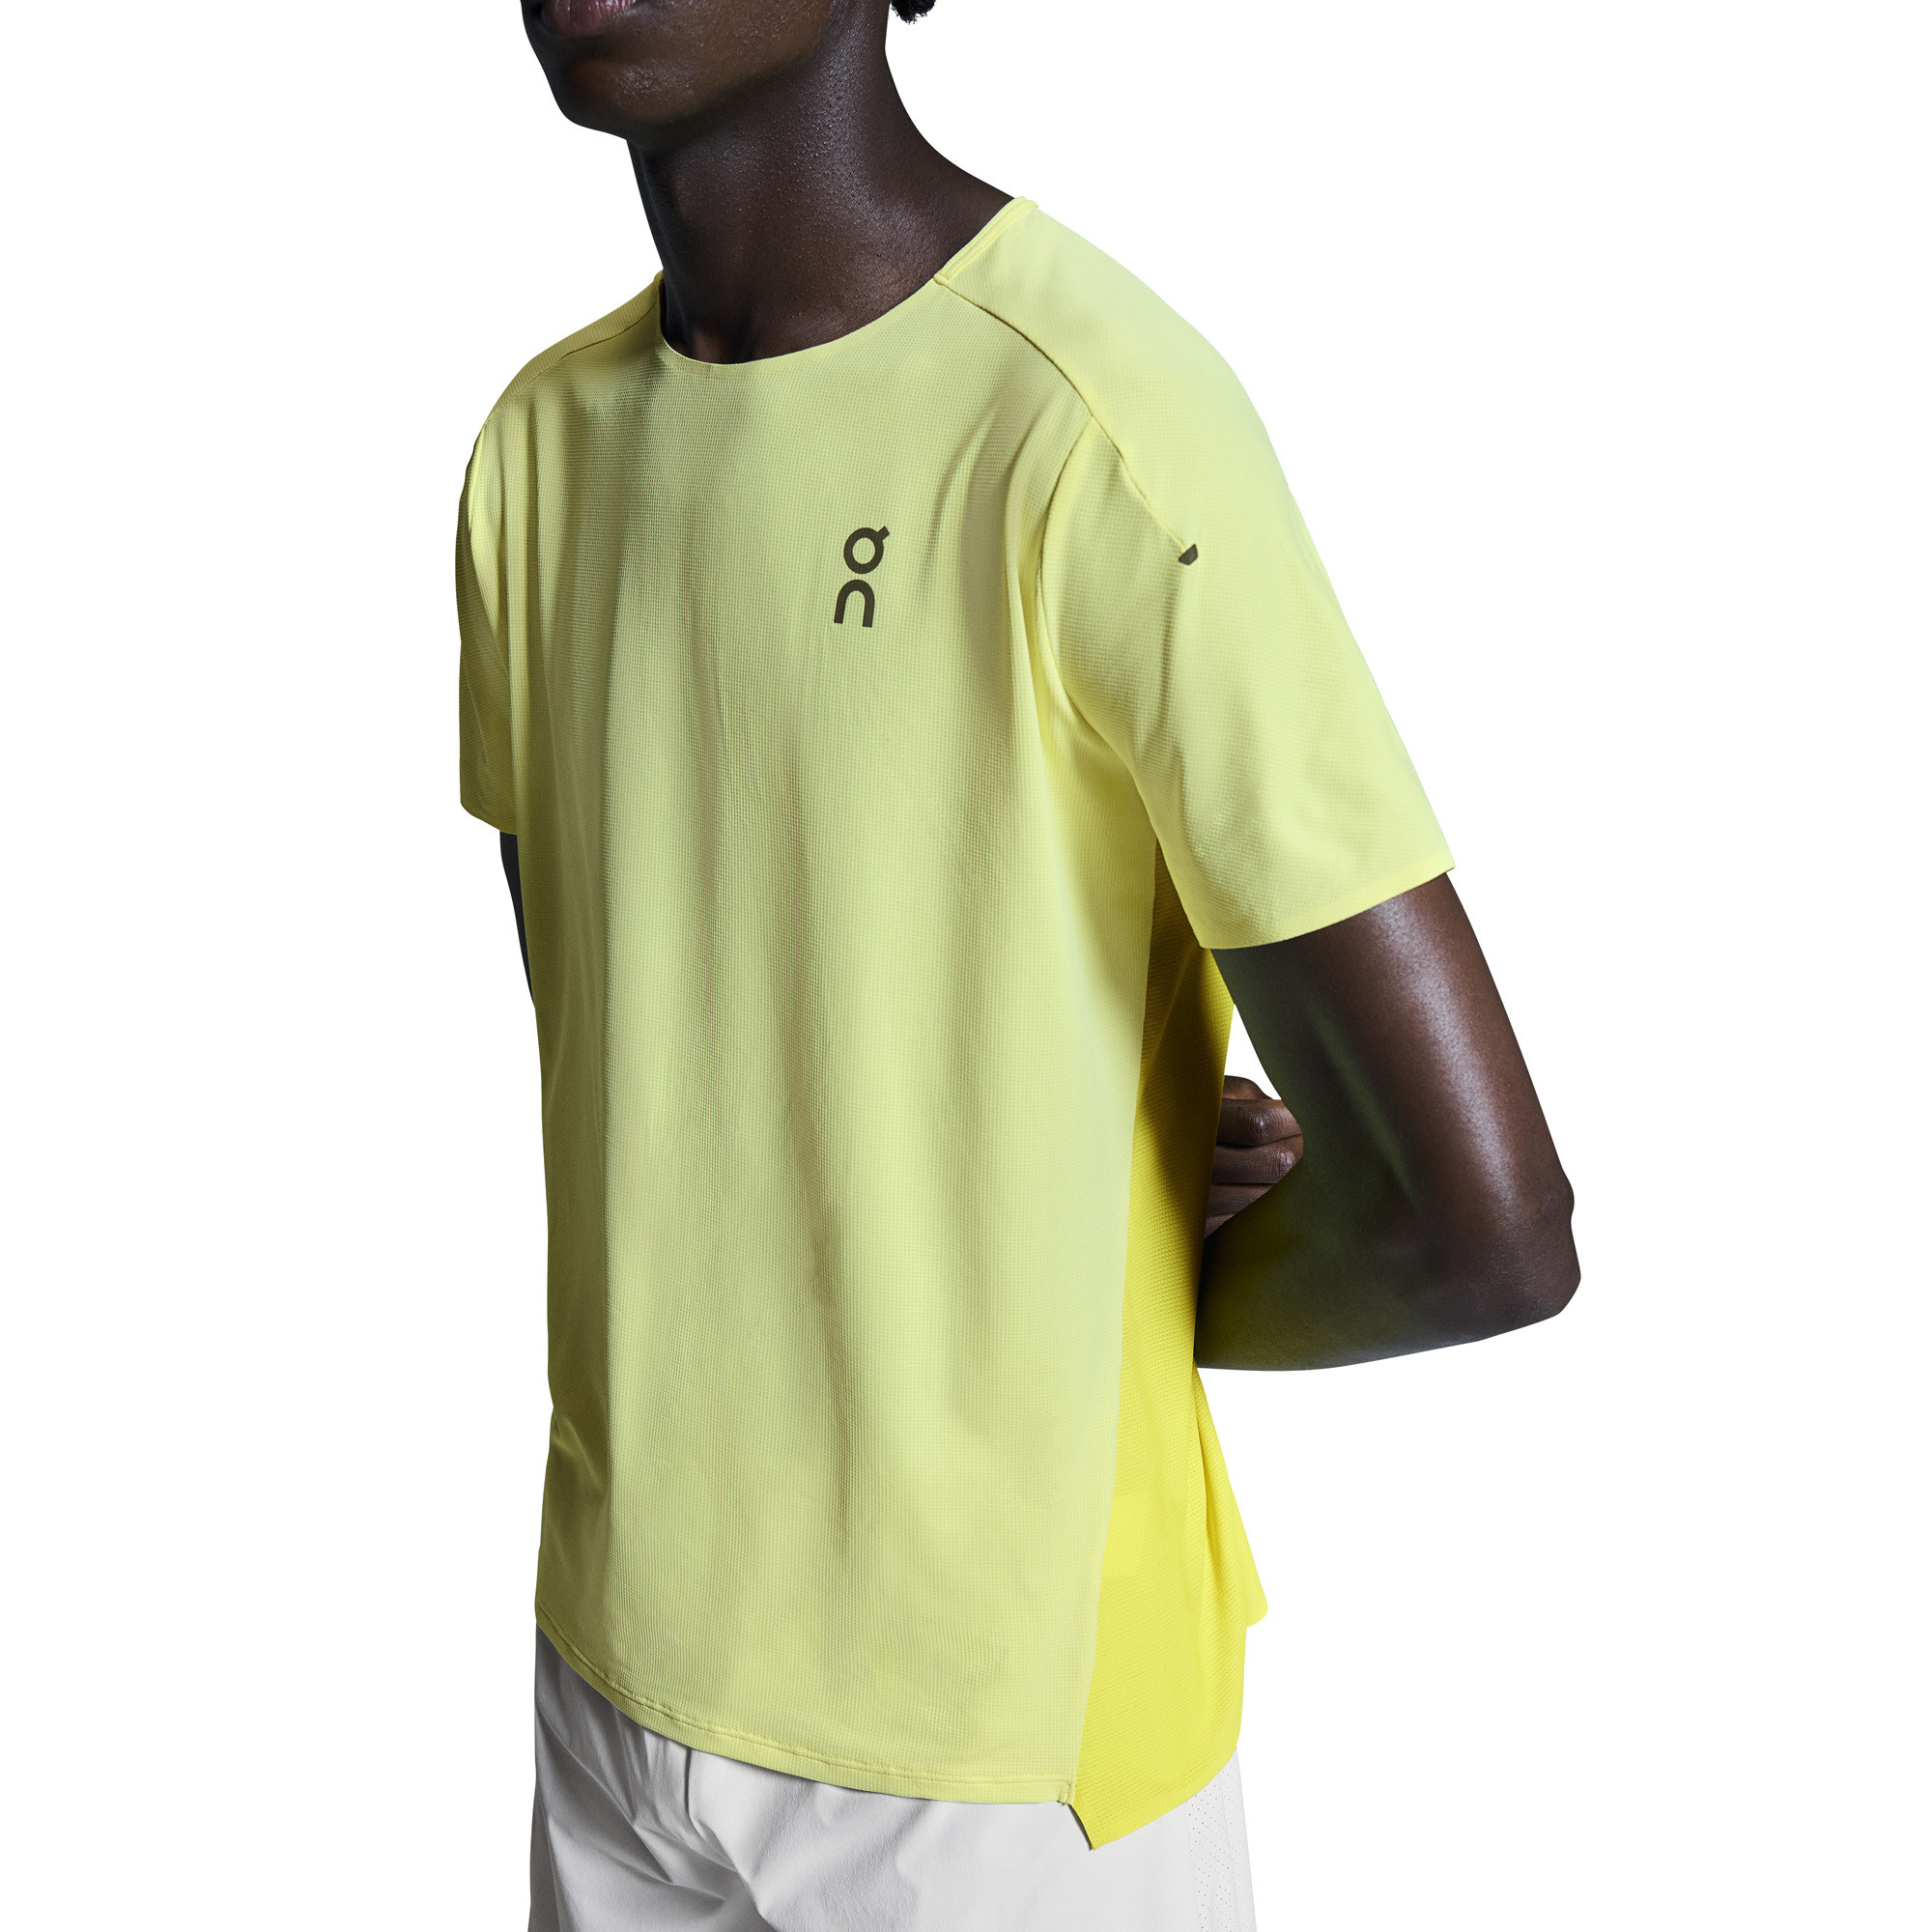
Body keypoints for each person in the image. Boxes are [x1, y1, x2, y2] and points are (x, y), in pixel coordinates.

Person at [458, 2, 1579, 1925]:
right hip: (619, 1667)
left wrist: (1094, 1279)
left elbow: (1490, 1232)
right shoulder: (536, 446)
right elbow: (633, 1036)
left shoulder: (1094, 419)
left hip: (996, 1761)